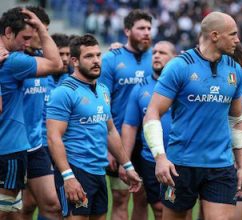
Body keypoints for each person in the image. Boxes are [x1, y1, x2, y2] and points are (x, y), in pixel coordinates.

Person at [143, 11, 242, 220]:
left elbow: (236, 120)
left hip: (220, 166)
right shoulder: (179, 66)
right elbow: (152, 113)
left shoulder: (235, 69)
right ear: (215, 35)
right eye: (233, 34)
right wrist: (160, 157)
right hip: (181, 164)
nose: (238, 40)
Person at [46, 34, 142, 219]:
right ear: (74, 61)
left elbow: (110, 130)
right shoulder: (63, 93)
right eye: (89, 56)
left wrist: (127, 165)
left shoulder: (103, 90)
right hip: (76, 170)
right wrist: (68, 177)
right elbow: (53, 137)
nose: (96, 60)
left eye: (98, 55)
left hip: (98, 172)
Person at [0, 7, 63, 219]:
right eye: (32, 33)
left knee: (49, 205)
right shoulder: (14, 61)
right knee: (15, 209)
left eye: (42, 31)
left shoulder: (29, 59)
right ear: (9, 32)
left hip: (32, 144)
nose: (32, 39)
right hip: (10, 144)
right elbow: (56, 63)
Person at [100, 9, 153, 220]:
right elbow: (102, 103)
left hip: (147, 140)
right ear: (127, 30)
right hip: (119, 139)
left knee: (142, 198)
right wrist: (109, 147)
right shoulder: (111, 59)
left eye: (149, 28)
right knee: (120, 197)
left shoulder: (157, 57)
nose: (147, 33)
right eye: (141, 28)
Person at [122, 41, 177, 220]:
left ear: (175, 58)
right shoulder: (140, 88)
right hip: (151, 159)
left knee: (178, 210)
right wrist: (126, 161)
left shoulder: (184, 86)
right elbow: (130, 125)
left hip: (181, 158)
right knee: (159, 208)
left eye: (162, 52)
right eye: (154, 52)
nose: (156, 55)